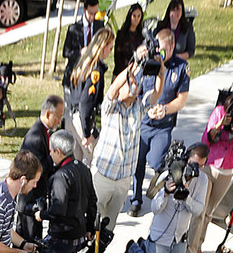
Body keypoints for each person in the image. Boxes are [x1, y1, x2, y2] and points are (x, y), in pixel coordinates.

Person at [90, 57, 162, 239]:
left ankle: (102, 250)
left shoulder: (139, 107)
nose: (134, 85)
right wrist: (133, 66)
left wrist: (160, 69)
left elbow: (156, 94)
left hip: (123, 178)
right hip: (103, 175)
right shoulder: (110, 108)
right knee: (93, 220)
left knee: (110, 223)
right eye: (130, 82)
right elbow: (113, 89)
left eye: (135, 82)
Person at [187, 85, 233, 253]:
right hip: (210, 165)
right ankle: (190, 250)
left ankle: (199, 243)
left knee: (210, 211)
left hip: (227, 169)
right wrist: (219, 126)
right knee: (200, 210)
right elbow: (205, 140)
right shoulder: (220, 111)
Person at [36, 129, 96, 253]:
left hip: (60, 235)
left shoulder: (60, 177)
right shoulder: (83, 169)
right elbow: (92, 201)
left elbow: (58, 211)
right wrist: (90, 227)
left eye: (52, 151)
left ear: (59, 152)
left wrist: (41, 214)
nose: (50, 154)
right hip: (78, 235)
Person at [125, 141, 209, 253]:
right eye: (193, 164)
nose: (195, 170)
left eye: (200, 166)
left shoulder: (203, 180)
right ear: (186, 158)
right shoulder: (170, 174)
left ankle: (145, 245)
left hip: (179, 239)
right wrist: (165, 193)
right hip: (160, 238)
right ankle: (133, 249)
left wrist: (186, 197)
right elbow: (155, 208)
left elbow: (198, 211)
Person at [129, 29, 190, 216]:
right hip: (144, 124)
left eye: (163, 51)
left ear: (172, 46)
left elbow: (182, 98)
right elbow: (133, 87)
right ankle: (136, 199)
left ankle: (162, 192)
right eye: (157, 50)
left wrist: (165, 109)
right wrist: (137, 60)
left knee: (157, 161)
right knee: (137, 163)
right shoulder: (149, 63)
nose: (159, 54)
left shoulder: (181, 67)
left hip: (163, 126)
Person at [16, 95, 64, 242]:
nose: (60, 121)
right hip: (30, 198)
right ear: (48, 114)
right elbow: (38, 169)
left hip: (34, 198)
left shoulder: (43, 132)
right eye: (58, 116)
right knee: (29, 241)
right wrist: (55, 157)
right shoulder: (36, 137)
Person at [62, 0, 103, 160]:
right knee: (70, 118)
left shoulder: (100, 26)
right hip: (73, 79)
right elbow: (65, 52)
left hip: (89, 78)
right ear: (85, 10)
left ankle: (78, 155)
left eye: (96, 13)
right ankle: (66, 149)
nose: (93, 17)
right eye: (90, 13)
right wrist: (79, 53)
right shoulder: (74, 29)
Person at [70, 27, 115, 168]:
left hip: (74, 117)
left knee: (76, 163)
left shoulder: (84, 62)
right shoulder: (95, 70)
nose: (110, 52)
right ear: (103, 47)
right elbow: (86, 103)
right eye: (110, 48)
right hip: (82, 120)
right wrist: (87, 132)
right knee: (96, 161)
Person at [155, 0, 195, 64]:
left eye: (178, 9)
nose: (176, 13)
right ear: (169, 11)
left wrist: (176, 57)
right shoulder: (161, 26)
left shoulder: (187, 27)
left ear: (182, 11)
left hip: (178, 64)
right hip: (162, 63)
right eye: (173, 10)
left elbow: (191, 51)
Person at [113, 3, 144, 78]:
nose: (136, 19)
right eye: (134, 16)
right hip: (121, 72)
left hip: (136, 73)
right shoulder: (121, 34)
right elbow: (117, 57)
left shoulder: (141, 36)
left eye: (139, 16)